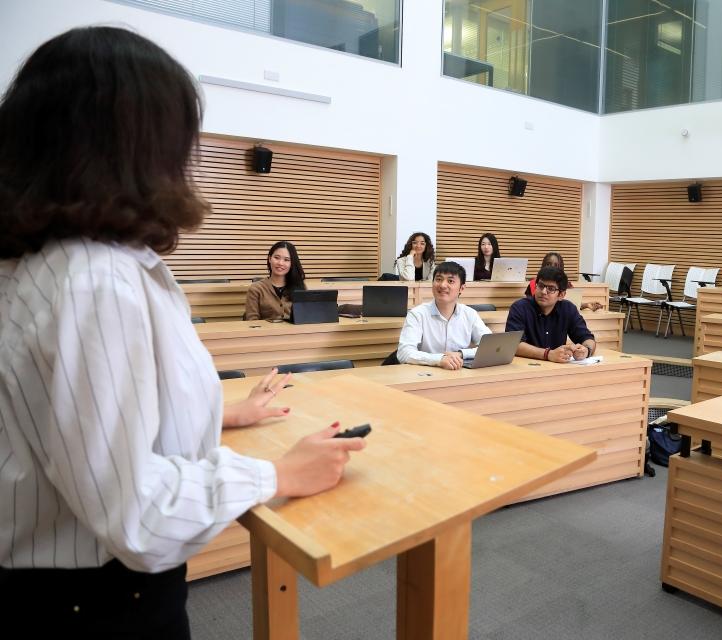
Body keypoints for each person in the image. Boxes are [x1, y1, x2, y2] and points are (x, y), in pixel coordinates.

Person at [0, 27, 366, 637]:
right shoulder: (94, 278)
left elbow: (83, 424)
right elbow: (136, 510)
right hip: (98, 603)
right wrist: (278, 475)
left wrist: (223, 412)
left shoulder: (55, 265)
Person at [397, 261, 491, 369]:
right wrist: (439, 359)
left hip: (458, 374)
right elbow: (403, 353)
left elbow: (491, 346)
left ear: (462, 288)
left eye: (450, 281)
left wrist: (461, 354)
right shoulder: (417, 314)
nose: (442, 285)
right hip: (425, 375)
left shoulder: (470, 314)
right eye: (438, 279)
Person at [506, 266, 597, 363]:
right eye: (541, 286)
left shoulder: (568, 309)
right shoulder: (520, 308)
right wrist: (547, 354)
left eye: (551, 288)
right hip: (526, 367)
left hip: (556, 369)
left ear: (561, 295)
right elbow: (514, 344)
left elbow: (587, 338)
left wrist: (586, 350)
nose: (543, 292)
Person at [244, 240, 306, 320]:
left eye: (286, 260)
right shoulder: (256, 289)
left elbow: (304, 319)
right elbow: (252, 322)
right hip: (265, 332)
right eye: (277, 258)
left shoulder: (299, 287)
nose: (280, 263)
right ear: (270, 259)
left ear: (292, 264)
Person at [525, 252, 604, 311]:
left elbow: (572, 304)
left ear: (561, 267)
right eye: (548, 264)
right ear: (543, 266)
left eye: (556, 265)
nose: (552, 267)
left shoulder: (567, 285)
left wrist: (586, 305)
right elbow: (529, 306)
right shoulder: (534, 284)